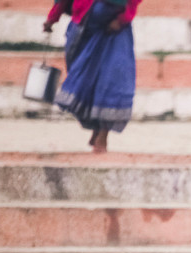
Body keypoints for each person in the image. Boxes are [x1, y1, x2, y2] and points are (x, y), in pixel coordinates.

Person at [43, 0, 142, 153]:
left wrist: (123, 19)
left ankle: (103, 133)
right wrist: (52, 18)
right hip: (83, 31)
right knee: (84, 82)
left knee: (110, 80)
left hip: (114, 31)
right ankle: (96, 127)